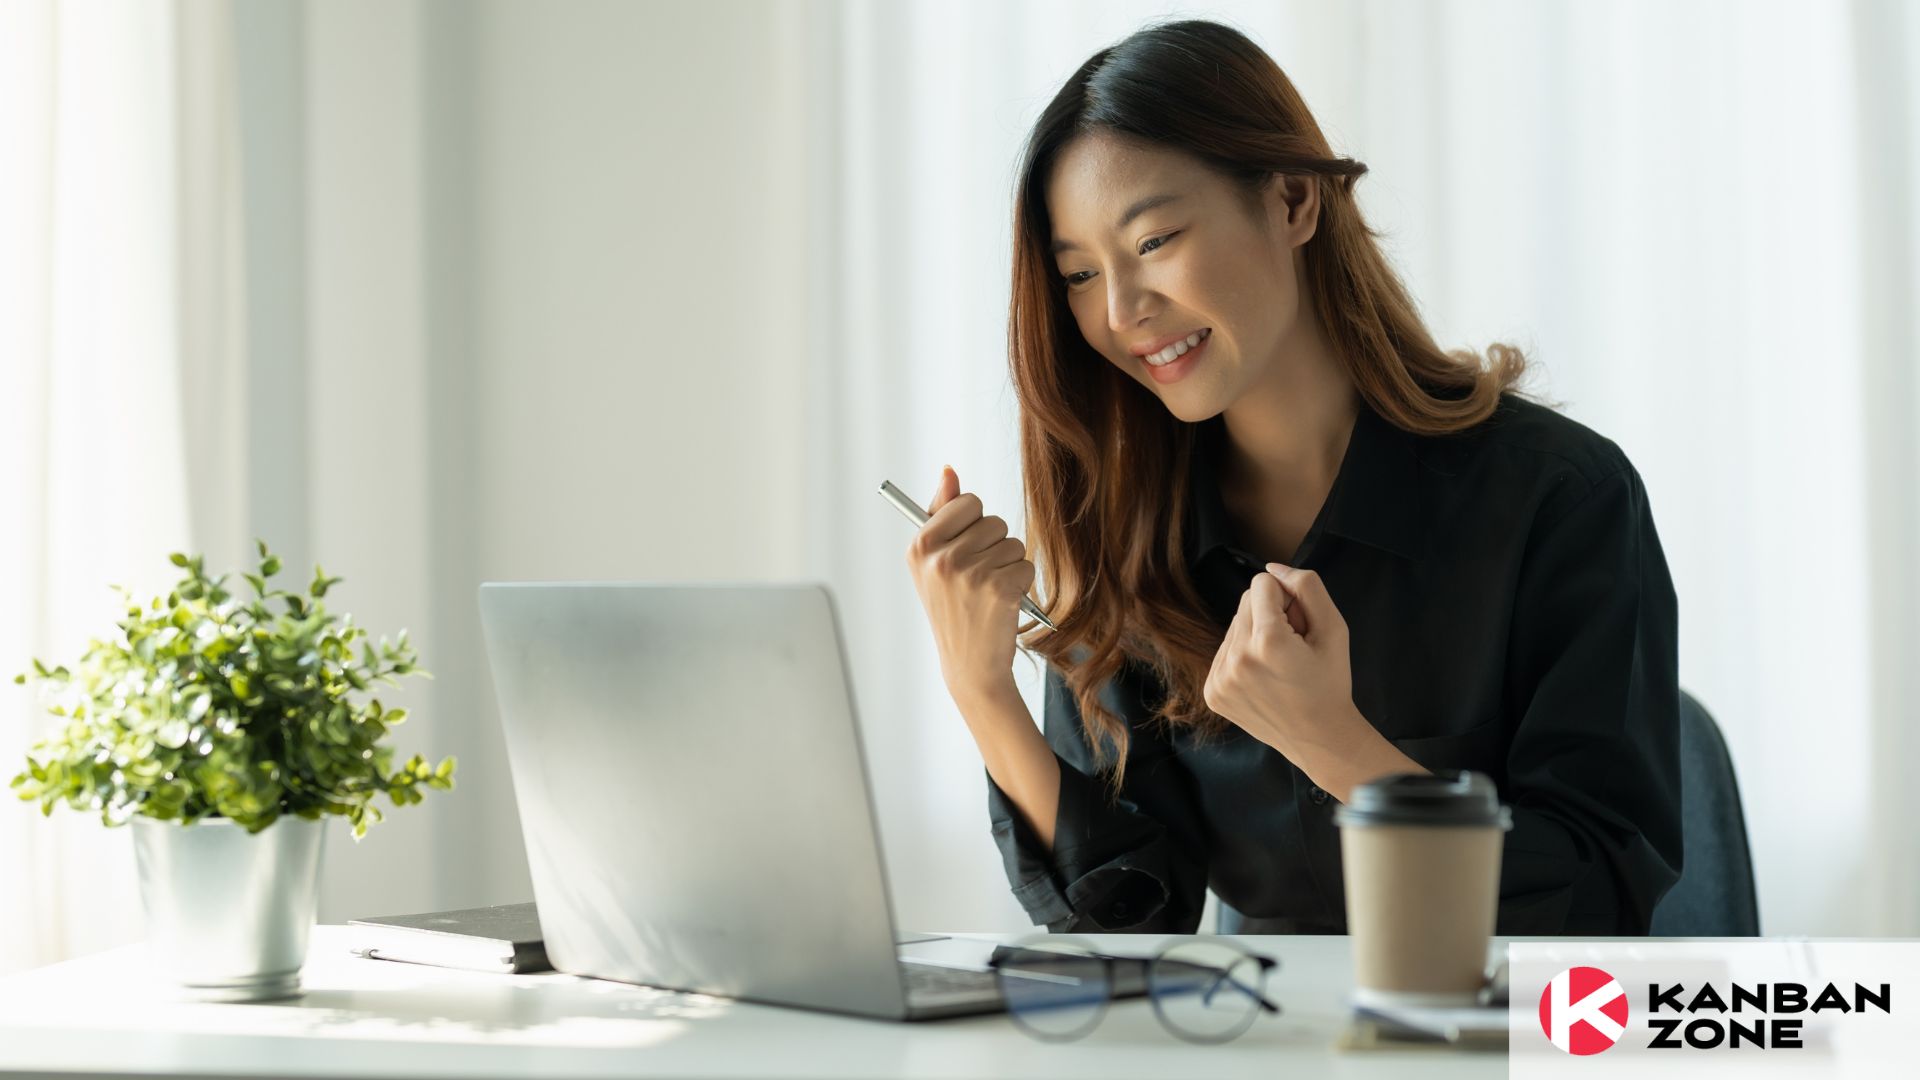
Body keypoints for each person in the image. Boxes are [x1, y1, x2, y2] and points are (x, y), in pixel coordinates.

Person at [903, 18, 1681, 937]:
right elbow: (1129, 927)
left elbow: (1596, 900)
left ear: (1294, 202)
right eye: (1078, 274)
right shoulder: (1129, 536)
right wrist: (981, 691)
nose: (1120, 311)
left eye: (1153, 242)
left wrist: (1336, 746)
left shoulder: (1561, 498)